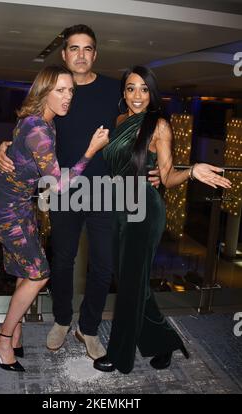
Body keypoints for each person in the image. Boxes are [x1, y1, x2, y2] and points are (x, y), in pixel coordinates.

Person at [0, 24, 161, 361]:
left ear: (95, 54)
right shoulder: (55, 88)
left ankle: (87, 328)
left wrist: (156, 166)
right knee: (63, 260)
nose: (81, 55)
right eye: (74, 48)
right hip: (62, 189)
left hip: (104, 190)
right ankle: (60, 319)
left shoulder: (114, 89)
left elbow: (143, 118)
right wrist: (4, 145)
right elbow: (29, 124)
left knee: (102, 264)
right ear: (64, 53)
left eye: (88, 49)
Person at [93, 66, 232, 374]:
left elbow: (167, 178)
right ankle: (165, 341)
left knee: (130, 286)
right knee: (134, 283)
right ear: (124, 92)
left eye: (144, 89)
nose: (137, 95)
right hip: (117, 206)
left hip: (144, 209)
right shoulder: (119, 121)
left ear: (152, 92)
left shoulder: (160, 126)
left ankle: (119, 355)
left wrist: (193, 170)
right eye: (131, 88)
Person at [0, 64, 109, 372]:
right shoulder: (40, 128)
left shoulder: (42, 120)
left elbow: (18, 146)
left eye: (70, 91)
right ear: (44, 91)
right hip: (4, 205)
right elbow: (58, 183)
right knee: (39, 274)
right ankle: (2, 336)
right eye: (59, 91)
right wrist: (91, 150)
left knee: (28, 269)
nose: (67, 98)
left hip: (18, 202)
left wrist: (4, 146)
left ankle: (15, 331)